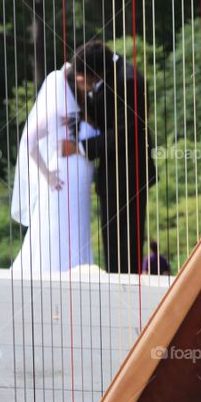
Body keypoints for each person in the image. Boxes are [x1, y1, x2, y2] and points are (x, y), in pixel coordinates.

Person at [61, 42, 155, 275]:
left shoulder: (129, 80)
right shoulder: (106, 69)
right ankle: (118, 283)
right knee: (111, 239)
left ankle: (128, 292)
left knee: (125, 243)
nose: (83, 84)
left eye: (85, 79)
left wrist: (80, 147)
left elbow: (127, 131)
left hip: (128, 171)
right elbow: (102, 107)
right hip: (111, 171)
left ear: (98, 73)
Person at [10, 64, 97, 276]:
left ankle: (78, 269)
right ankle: (53, 271)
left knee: (79, 223)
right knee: (57, 224)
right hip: (62, 178)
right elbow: (28, 142)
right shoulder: (54, 113)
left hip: (82, 178)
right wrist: (47, 175)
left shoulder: (85, 110)